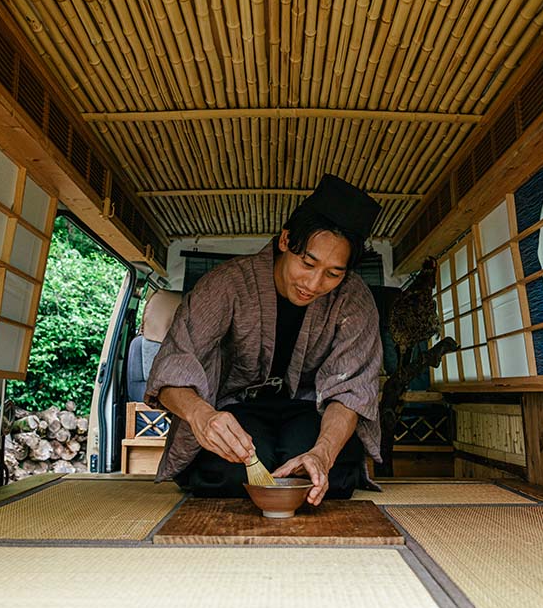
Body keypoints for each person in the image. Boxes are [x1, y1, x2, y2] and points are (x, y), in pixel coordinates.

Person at [144, 173, 383, 506]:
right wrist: (202, 416)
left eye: (333, 273)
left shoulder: (354, 299)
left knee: (323, 478)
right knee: (229, 475)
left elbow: (354, 389)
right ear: (285, 241)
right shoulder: (226, 284)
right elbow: (172, 364)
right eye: (307, 263)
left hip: (309, 408)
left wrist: (323, 454)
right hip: (237, 406)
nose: (314, 283)